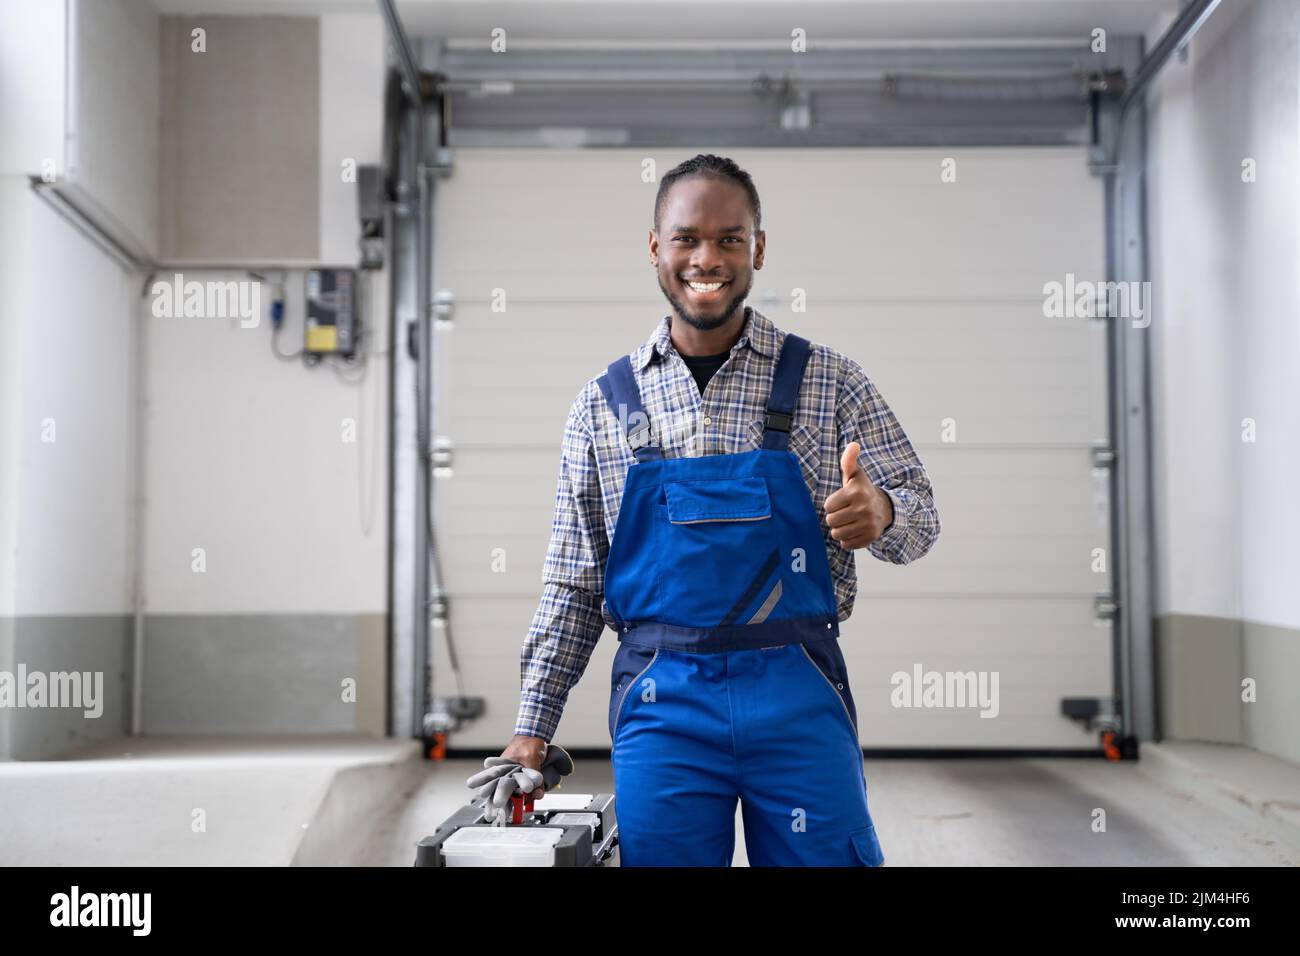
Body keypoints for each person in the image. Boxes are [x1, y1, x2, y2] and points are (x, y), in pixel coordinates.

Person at [494, 153, 940, 865]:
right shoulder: (603, 407)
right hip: (661, 707)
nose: (708, 257)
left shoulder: (830, 381)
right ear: (655, 248)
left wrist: (883, 512)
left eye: (730, 238)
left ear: (758, 248)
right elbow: (575, 584)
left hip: (798, 697)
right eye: (687, 238)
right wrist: (532, 726)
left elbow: (921, 520)